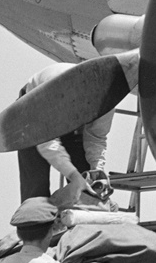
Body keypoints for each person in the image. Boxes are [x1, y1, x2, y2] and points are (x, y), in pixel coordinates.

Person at [16, 63, 116, 206]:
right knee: (35, 189)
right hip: (31, 114)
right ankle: (34, 223)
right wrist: (73, 175)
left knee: (88, 186)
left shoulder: (108, 96)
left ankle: (82, 217)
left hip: (68, 115)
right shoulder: (53, 92)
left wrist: (97, 169)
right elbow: (47, 144)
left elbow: (96, 137)